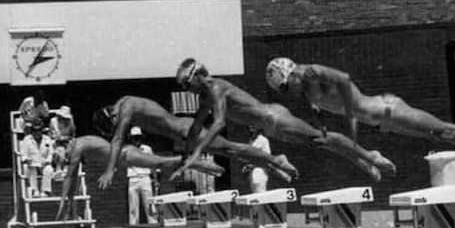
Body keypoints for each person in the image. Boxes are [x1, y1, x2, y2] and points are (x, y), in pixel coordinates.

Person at [263, 58, 455, 192]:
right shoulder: (307, 92)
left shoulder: (310, 73)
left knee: (449, 131)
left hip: (389, 110)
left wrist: (354, 107)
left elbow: (344, 79)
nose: (289, 93)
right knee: (442, 137)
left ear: (291, 73)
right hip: (382, 123)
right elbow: (320, 112)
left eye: (286, 87)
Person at [171, 58, 396, 183]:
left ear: (198, 76)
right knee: (320, 144)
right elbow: (195, 128)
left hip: (274, 118)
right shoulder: (204, 97)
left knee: (321, 138)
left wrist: (197, 153)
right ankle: (361, 160)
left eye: (186, 84)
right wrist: (184, 157)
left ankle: (369, 156)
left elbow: (219, 123)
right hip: (270, 127)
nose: (185, 89)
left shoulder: (215, 87)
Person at [93, 96, 299, 190]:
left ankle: (276, 159)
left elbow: (118, 139)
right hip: (184, 136)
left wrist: (110, 170)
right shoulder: (127, 108)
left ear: (112, 116)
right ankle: (273, 164)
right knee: (232, 153)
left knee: (231, 148)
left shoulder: (127, 106)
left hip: (187, 130)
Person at [56, 134, 224, 221]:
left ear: (67, 145)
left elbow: (70, 175)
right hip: (123, 159)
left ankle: (197, 163)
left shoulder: (78, 145)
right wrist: (68, 204)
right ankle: (197, 164)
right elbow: (72, 181)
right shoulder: (79, 146)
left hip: (126, 156)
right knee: (162, 163)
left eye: (66, 157)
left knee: (162, 162)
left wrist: (63, 201)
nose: (68, 159)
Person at [126, 126, 156, 225]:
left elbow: (152, 163)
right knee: (133, 207)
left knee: (150, 205)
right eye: (134, 138)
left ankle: (153, 224)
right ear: (131, 139)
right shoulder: (127, 150)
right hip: (133, 179)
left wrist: (155, 178)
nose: (136, 140)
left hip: (145, 178)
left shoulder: (147, 149)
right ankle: (133, 226)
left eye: (138, 137)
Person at [20, 119, 55, 197]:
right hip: (32, 163)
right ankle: (34, 190)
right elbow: (23, 154)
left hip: (43, 163)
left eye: (39, 130)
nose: (37, 132)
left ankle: (45, 191)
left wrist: (48, 161)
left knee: (49, 169)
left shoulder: (47, 139)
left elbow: (50, 153)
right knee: (31, 169)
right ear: (32, 131)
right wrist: (26, 159)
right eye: (35, 130)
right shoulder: (27, 140)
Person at [49, 105, 76, 180]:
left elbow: (73, 135)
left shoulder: (71, 121)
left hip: (67, 142)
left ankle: (66, 168)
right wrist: (58, 138)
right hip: (56, 142)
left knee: (71, 148)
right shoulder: (53, 121)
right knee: (59, 150)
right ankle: (59, 169)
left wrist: (68, 139)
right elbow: (52, 135)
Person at [244, 126, 271, 193]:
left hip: (259, 171)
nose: (251, 127)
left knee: (260, 194)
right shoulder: (251, 141)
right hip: (252, 172)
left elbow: (267, 158)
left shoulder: (263, 140)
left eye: (254, 126)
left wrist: (253, 165)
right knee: (254, 194)